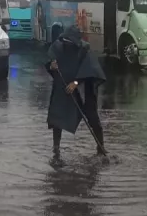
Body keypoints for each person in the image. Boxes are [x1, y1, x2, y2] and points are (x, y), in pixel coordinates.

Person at [45, 25, 106, 155]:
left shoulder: (84, 50)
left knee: (93, 118)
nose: (67, 44)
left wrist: (76, 82)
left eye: (70, 42)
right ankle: (56, 147)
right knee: (57, 117)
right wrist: (52, 66)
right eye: (65, 41)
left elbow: (91, 70)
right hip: (63, 88)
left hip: (84, 90)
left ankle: (101, 147)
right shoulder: (58, 46)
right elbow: (50, 61)